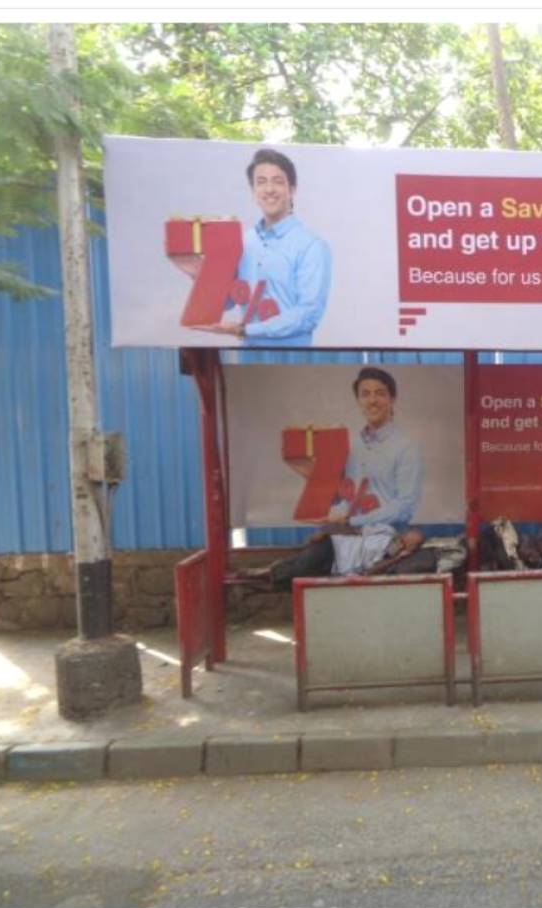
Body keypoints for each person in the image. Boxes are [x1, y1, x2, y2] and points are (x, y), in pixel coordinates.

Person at [240, 367, 424, 589]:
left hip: (386, 539)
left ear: (392, 399)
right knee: (307, 563)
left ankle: (262, 579)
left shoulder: (406, 447)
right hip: (346, 537)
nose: (372, 400)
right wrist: (308, 472)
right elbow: (339, 494)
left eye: (380, 393)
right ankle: (258, 580)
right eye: (365, 394)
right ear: (358, 401)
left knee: (308, 570)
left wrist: (351, 520)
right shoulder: (350, 445)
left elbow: (404, 506)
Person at [196, 148, 331, 348]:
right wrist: (197, 271)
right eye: (261, 182)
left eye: (277, 181)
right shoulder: (242, 241)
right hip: (246, 358)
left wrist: (245, 330)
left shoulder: (312, 246)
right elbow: (227, 301)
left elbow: (308, 315)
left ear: (292, 189)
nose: (269, 189)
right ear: (253, 191)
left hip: (295, 360)